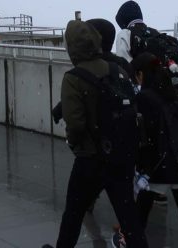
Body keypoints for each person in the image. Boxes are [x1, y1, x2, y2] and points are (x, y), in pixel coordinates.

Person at [44, 20, 148, 248]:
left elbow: (75, 124)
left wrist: (76, 145)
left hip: (91, 158)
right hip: (121, 156)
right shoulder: (117, 69)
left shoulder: (73, 77)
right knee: (127, 215)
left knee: (74, 212)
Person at [132, 52, 178, 248]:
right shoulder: (175, 96)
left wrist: (142, 169)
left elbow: (145, 137)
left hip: (158, 168)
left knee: (139, 217)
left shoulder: (144, 97)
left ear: (141, 74)